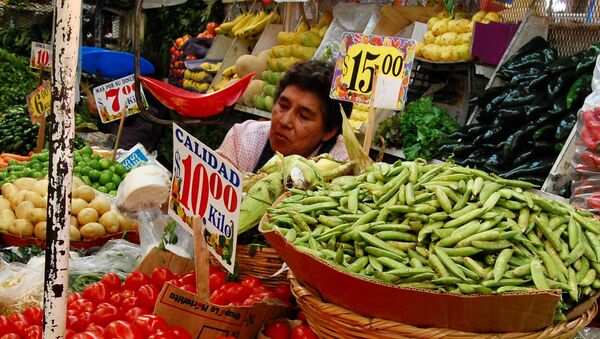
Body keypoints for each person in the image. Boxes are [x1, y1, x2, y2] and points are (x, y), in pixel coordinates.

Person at [217, 60, 352, 173]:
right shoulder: (244, 138)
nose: (285, 121)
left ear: (329, 131)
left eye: (303, 116)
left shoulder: (343, 167)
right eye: (283, 106)